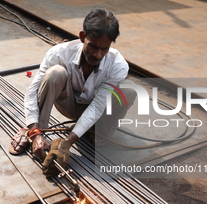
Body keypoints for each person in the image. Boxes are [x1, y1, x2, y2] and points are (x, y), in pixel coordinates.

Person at [9, 8, 136, 176]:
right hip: (67, 103)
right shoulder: (59, 53)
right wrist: (35, 133)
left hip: (96, 108)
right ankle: (36, 131)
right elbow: (32, 92)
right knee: (55, 73)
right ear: (82, 36)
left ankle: (98, 129)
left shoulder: (117, 64)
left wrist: (66, 143)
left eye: (104, 49)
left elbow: (98, 106)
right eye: (92, 46)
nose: (98, 54)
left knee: (128, 93)